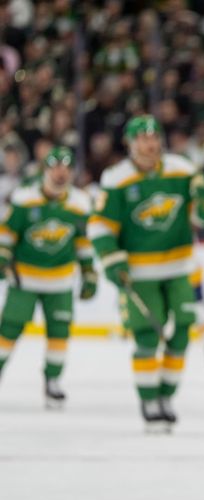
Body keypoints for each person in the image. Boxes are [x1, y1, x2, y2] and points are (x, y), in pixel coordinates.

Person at [88, 115, 204, 431]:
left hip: (179, 266)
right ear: (130, 144)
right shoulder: (116, 179)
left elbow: (203, 217)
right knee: (148, 335)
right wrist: (111, 259)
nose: (151, 144)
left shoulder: (182, 169)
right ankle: (149, 398)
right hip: (140, 272)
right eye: (143, 139)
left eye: (155, 138)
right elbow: (101, 225)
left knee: (184, 328)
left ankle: (167, 395)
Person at [0, 146, 96, 407]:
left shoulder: (79, 203)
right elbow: (7, 234)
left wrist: (89, 272)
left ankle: (53, 382)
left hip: (61, 280)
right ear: (45, 170)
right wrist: (2, 257)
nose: (61, 173)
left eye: (66, 167)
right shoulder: (24, 198)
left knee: (59, 332)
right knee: (8, 329)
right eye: (55, 167)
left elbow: (83, 242)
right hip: (25, 279)